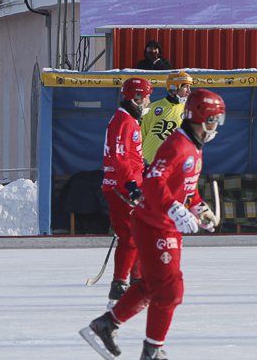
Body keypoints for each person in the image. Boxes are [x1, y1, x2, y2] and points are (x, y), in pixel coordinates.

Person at [81, 89, 226, 360]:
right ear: (198, 118)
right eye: (212, 120)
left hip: (164, 223)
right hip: (154, 223)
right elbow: (155, 183)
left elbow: (187, 188)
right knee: (170, 288)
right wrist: (175, 209)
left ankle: (106, 325)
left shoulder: (195, 146)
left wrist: (199, 208)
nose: (215, 127)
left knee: (150, 284)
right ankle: (152, 350)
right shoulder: (177, 146)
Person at [101, 77, 151, 304]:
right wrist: (132, 185)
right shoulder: (123, 120)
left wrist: (144, 167)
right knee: (129, 238)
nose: (149, 100)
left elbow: (130, 155)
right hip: (121, 188)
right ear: (136, 97)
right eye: (147, 95)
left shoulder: (130, 119)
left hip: (130, 184)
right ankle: (119, 286)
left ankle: (138, 281)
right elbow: (119, 158)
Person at [142, 72, 192, 166]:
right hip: (148, 164)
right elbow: (141, 136)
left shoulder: (188, 111)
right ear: (174, 87)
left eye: (189, 87)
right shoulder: (152, 108)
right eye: (185, 86)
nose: (189, 91)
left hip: (173, 165)